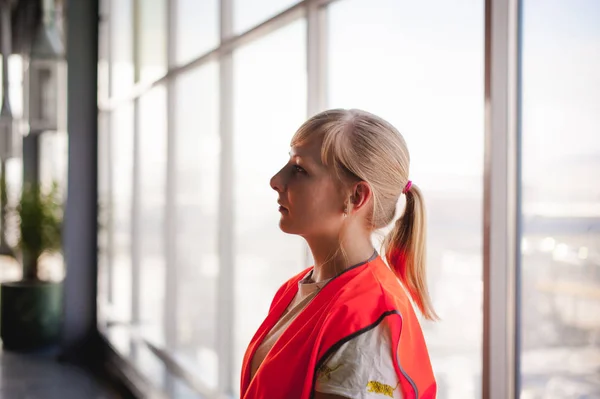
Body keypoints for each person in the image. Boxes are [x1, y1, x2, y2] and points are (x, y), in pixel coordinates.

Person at [240, 109, 437, 399]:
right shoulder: (296, 289)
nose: (275, 180)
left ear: (356, 197)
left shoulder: (368, 320)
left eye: (299, 169)